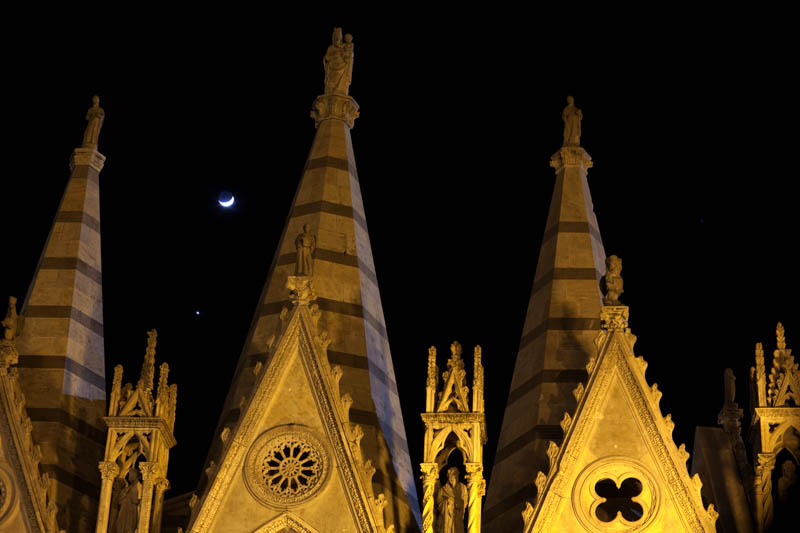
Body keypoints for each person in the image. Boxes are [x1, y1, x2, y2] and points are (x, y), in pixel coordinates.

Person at [435, 467, 468, 533]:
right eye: (451, 476)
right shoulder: (443, 489)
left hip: (458, 516)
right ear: (448, 477)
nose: (453, 478)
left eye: (455, 475)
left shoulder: (463, 488)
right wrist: (447, 502)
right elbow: (438, 503)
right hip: (446, 519)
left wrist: (457, 503)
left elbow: (465, 501)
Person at [323, 28, 353, 95]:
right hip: (332, 69)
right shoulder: (330, 47)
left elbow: (348, 58)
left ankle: (341, 91)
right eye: (335, 37)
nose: (337, 39)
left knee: (341, 86)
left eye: (338, 37)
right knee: (331, 84)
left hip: (342, 69)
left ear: (341, 38)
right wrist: (326, 59)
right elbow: (326, 58)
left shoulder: (344, 47)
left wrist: (344, 53)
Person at [113, 468, 141, 533]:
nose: (130, 476)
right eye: (129, 474)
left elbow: (139, 501)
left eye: (132, 474)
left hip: (132, 512)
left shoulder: (140, 487)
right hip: (123, 511)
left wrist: (131, 498)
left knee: (130, 528)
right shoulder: (126, 489)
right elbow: (119, 501)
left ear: (137, 476)